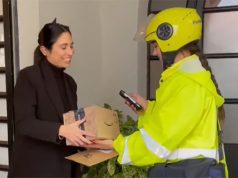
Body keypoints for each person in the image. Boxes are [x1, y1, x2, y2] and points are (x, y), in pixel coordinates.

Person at [84, 7, 228, 177]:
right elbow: (170, 124)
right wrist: (147, 109)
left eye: (155, 45)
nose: (154, 52)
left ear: (170, 41)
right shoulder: (187, 79)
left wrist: (117, 145)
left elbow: (159, 142)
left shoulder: (187, 85)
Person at [8, 19, 94, 177]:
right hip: (35, 168)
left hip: (66, 166)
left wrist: (86, 138)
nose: (70, 52)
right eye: (64, 47)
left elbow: (70, 122)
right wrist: (61, 130)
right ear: (44, 50)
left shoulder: (70, 83)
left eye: (71, 45)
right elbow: (24, 123)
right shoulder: (28, 76)